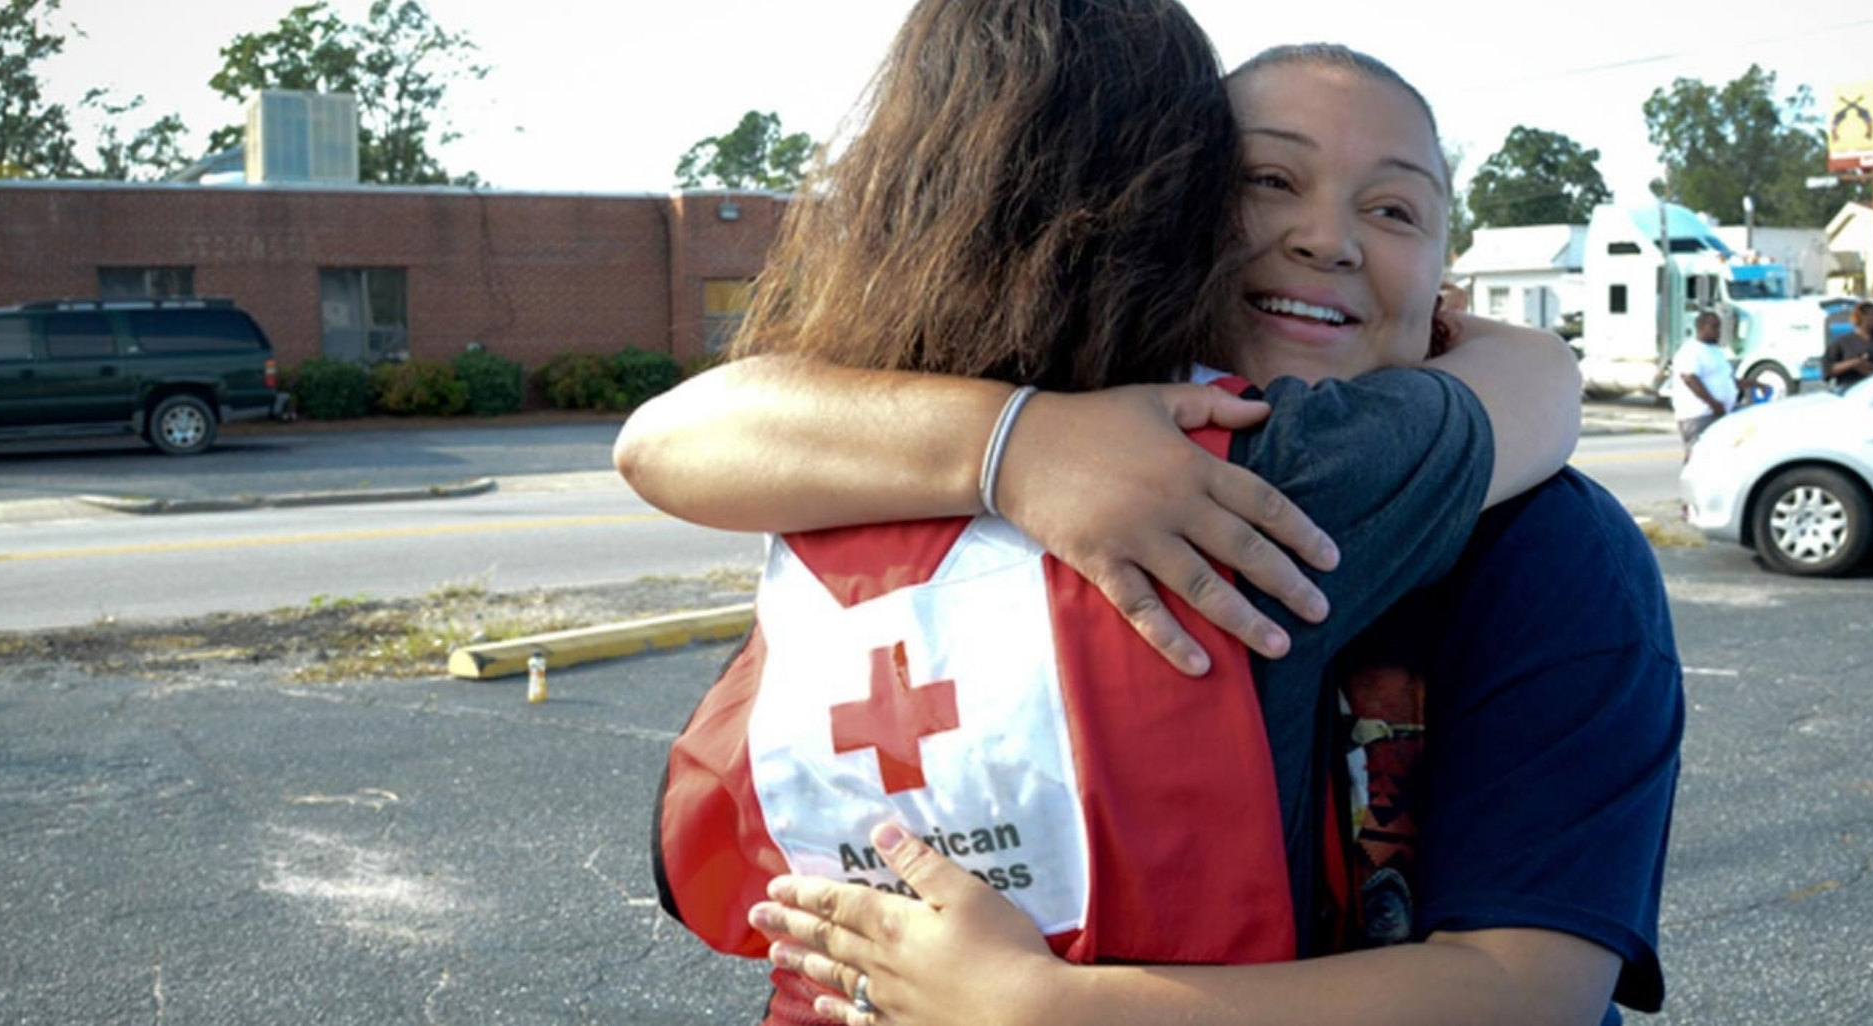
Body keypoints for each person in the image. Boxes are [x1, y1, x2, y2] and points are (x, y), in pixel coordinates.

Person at [628, 35, 1679, 1026]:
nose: (1327, 236)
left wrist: (1045, 1009)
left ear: (1446, 276)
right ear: (1163, 211)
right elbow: (677, 433)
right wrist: (1021, 445)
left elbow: (1530, 987)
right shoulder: (1034, 454)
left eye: (1396, 209)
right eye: (1268, 181)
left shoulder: (1549, 545)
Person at [1672, 309, 1741, 456]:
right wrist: (1713, 403)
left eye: (1719, 327)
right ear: (1702, 328)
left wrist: (1753, 383)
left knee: (1715, 457)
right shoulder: (1691, 351)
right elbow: (1689, 379)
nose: (1718, 331)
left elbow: (1726, 380)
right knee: (1698, 457)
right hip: (1699, 416)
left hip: (1717, 414)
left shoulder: (1714, 351)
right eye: (1714, 327)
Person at [1823, 299, 1873, 388]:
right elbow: (1828, 370)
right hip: (1852, 389)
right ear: (1862, 317)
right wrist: (1855, 363)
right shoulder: (1843, 343)